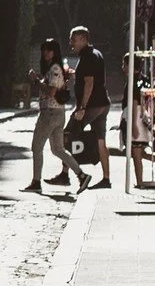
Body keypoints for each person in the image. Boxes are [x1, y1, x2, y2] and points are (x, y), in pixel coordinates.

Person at [25, 37, 84, 194]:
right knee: (58, 149)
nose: (45, 52)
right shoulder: (56, 69)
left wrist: (36, 81)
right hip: (57, 113)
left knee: (37, 147)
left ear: (55, 52)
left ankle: (36, 181)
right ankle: (81, 175)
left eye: (49, 50)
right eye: (44, 49)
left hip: (50, 113)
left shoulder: (55, 69)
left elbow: (51, 92)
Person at [70, 25, 112, 189]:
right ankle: (106, 178)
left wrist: (82, 108)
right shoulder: (96, 54)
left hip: (92, 106)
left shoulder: (88, 57)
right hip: (103, 103)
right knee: (101, 140)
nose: (71, 43)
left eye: (73, 40)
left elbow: (89, 83)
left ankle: (67, 174)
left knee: (68, 134)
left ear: (83, 39)